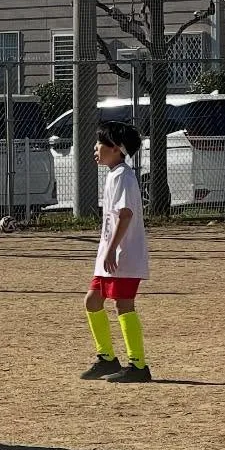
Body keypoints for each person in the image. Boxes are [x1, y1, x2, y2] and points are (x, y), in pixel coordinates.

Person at [82, 120, 152, 382]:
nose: (96, 147)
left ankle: (138, 365)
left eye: (100, 143)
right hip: (109, 256)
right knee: (92, 301)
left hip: (122, 256)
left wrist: (111, 250)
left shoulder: (123, 175)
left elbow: (126, 215)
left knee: (124, 306)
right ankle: (107, 359)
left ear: (116, 148)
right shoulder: (115, 174)